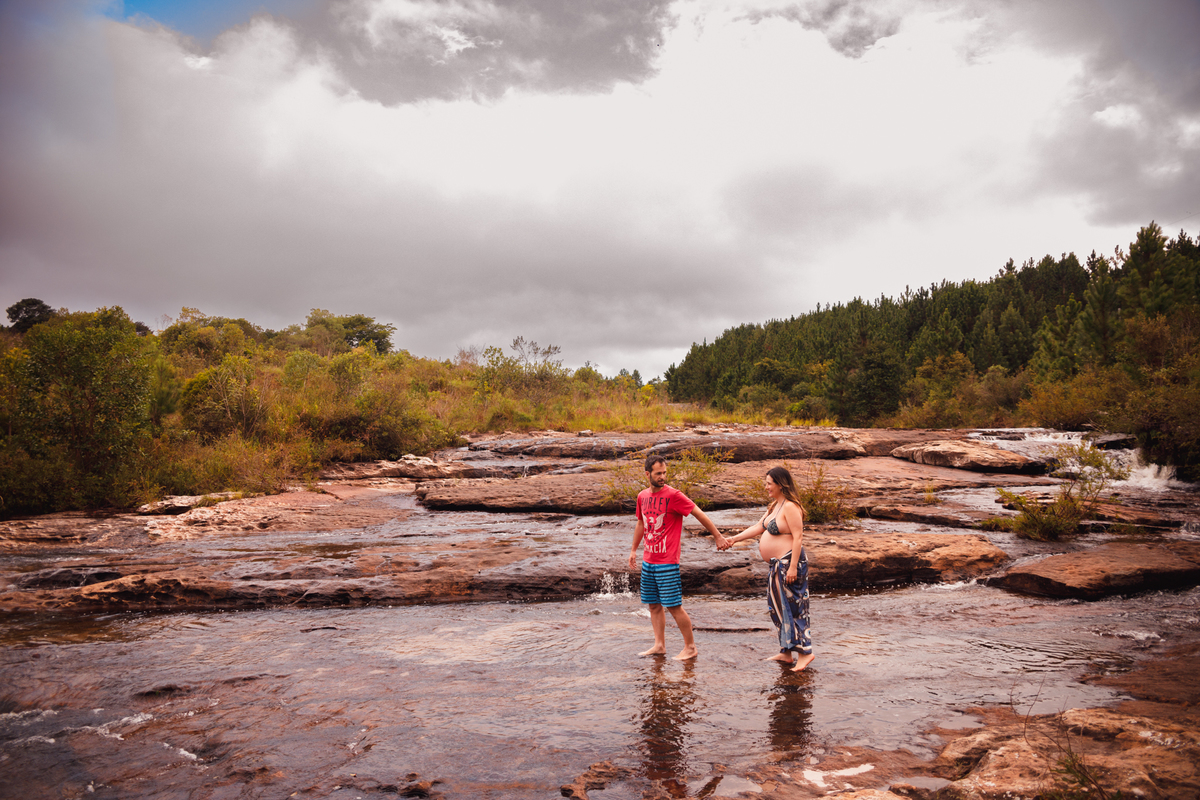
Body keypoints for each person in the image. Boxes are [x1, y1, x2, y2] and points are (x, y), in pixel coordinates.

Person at [628, 454, 728, 660]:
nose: (663, 476)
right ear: (647, 474)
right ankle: (659, 645)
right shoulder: (642, 497)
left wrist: (717, 536)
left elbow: (698, 513)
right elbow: (641, 523)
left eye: (664, 472)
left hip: (667, 562)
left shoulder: (674, 496)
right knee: (653, 605)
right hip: (649, 561)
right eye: (658, 473)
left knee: (674, 606)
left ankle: (690, 647)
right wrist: (633, 550)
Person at [718, 466, 813, 671]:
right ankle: (786, 652)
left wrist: (794, 567)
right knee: (777, 607)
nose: (766, 486)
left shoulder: (790, 506)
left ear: (780, 484)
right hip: (777, 565)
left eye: (769, 483)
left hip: (789, 563)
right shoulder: (774, 506)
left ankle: (806, 653)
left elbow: (798, 537)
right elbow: (758, 527)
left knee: (795, 607)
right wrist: (733, 539)